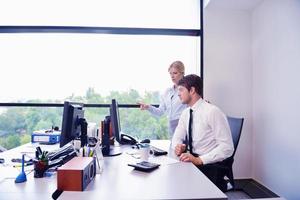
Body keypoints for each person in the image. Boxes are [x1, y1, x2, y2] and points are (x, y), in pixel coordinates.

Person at [172, 74, 234, 191]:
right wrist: (178, 146)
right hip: (193, 160)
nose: (178, 94)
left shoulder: (212, 112)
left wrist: (199, 160)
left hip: (208, 164)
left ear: (192, 90)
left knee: (179, 186)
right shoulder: (186, 113)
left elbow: (227, 147)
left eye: (181, 90)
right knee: (172, 178)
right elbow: (177, 137)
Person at [139, 61, 187, 139]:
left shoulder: (187, 90)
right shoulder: (167, 92)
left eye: (175, 73)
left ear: (182, 73)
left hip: (184, 126)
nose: (172, 76)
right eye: (170, 73)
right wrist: (148, 107)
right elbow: (160, 112)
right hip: (171, 128)